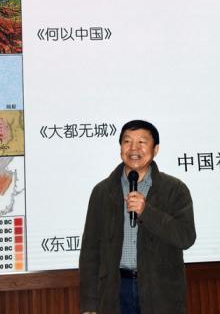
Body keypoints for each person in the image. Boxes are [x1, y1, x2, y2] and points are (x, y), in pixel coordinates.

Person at [79, 120, 196, 314]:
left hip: (160, 291)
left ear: (155, 149)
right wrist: (89, 304)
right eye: (127, 141)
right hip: (116, 289)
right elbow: (90, 251)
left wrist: (146, 212)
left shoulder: (175, 189)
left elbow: (186, 237)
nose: (133, 148)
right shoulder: (103, 191)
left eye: (142, 142)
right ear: (120, 148)